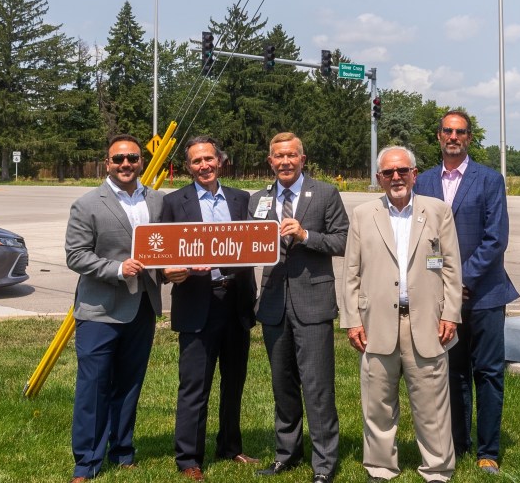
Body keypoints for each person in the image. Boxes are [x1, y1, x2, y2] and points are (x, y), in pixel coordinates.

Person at [341, 146, 462, 483]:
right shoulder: (363, 214)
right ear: (379, 178)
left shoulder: (437, 212)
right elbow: (351, 272)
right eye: (389, 173)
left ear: (414, 174)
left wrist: (450, 314)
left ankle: (437, 469)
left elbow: (452, 269)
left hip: (427, 322)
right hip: (375, 322)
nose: (396, 177)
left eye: (402, 171)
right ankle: (380, 468)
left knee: (432, 405)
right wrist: (352, 320)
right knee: (378, 403)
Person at [414, 110, 519, 474]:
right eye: (447, 131)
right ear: (439, 136)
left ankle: (488, 450)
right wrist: (440, 285)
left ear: (469, 138)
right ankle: (458, 443)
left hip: (485, 295)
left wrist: (461, 280)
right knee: (453, 373)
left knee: (488, 373)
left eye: (460, 132)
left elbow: (495, 239)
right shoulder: (422, 182)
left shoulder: (489, 180)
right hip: (442, 300)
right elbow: (419, 239)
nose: (453, 137)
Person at [249, 132, 349, 483]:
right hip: (274, 303)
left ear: (302, 159)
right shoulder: (258, 199)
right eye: (279, 156)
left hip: (313, 302)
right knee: (283, 385)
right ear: (270, 161)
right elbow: (246, 246)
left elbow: (342, 240)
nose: (285, 162)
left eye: (292, 155)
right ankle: (286, 454)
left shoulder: (325, 193)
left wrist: (306, 235)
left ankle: (324, 463)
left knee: (318, 386)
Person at [65, 134, 164, 482]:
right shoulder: (87, 203)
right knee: (93, 386)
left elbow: (162, 251)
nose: (126, 164)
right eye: (118, 158)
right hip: (99, 310)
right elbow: (76, 255)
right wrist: (118, 269)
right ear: (107, 163)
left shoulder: (157, 200)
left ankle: (123, 451)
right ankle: (87, 462)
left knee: (129, 384)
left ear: (141, 161)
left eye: (132, 158)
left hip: (143, 308)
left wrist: (173, 270)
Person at [160, 136, 258, 481]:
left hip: (236, 301)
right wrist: (169, 271)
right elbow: (160, 255)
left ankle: (231, 446)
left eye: (209, 159)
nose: (204, 166)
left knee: (234, 383)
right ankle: (188, 458)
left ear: (221, 161)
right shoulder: (173, 202)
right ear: (189, 167)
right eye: (196, 161)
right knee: (194, 386)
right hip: (197, 302)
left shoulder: (241, 199)